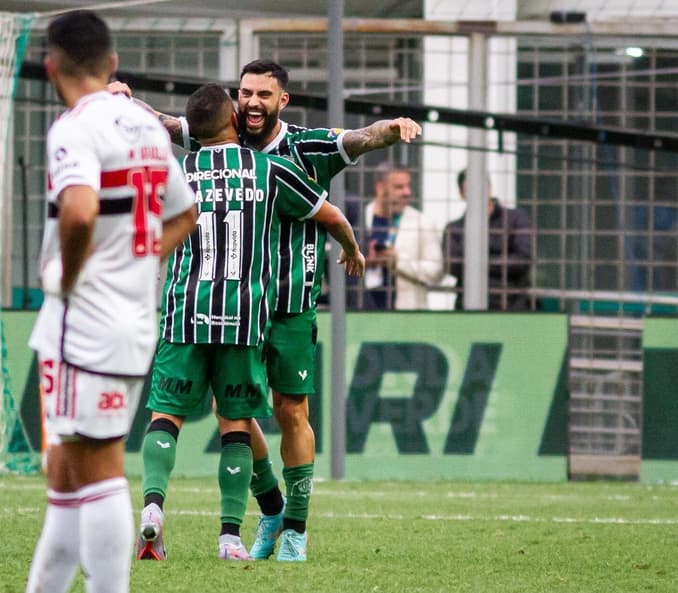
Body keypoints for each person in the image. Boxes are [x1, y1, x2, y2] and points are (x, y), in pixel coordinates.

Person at [120, 59, 420, 561]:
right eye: (245, 93)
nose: (253, 102)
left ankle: (295, 528)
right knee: (231, 410)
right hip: (239, 309)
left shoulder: (303, 148)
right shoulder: (214, 140)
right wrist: (124, 101)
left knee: (290, 411)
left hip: (287, 305)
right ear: (235, 105)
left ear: (283, 100)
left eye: (264, 94)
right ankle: (269, 508)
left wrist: (392, 129)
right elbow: (166, 122)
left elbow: (359, 139)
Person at [24, 11, 197, 593]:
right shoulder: (146, 127)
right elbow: (185, 212)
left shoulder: (75, 127)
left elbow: (78, 210)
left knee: (95, 472)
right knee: (66, 474)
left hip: (85, 319)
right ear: (112, 63)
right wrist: (138, 260)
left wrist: (72, 277)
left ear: (51, 67)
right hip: (132, 315)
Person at [442, 169, 532, 310]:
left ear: (490, 188)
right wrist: (498, 259)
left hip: (512, 306)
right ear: (461, 194)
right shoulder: (454, 228)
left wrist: (476, 262)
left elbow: (522, 260)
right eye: (470, 190)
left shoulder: (516, 219)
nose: (477, 194)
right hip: (467, 307)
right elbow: (452, 266)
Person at [363, 161, 445, 310]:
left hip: (406, 315)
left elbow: (436, 272)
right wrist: (365, 261)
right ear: (380, 188)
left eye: (408, 186)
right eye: (399, 187)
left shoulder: (422, 223)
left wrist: (398, 262)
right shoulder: (361, 218)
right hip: (363, 310)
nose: (407, 192)